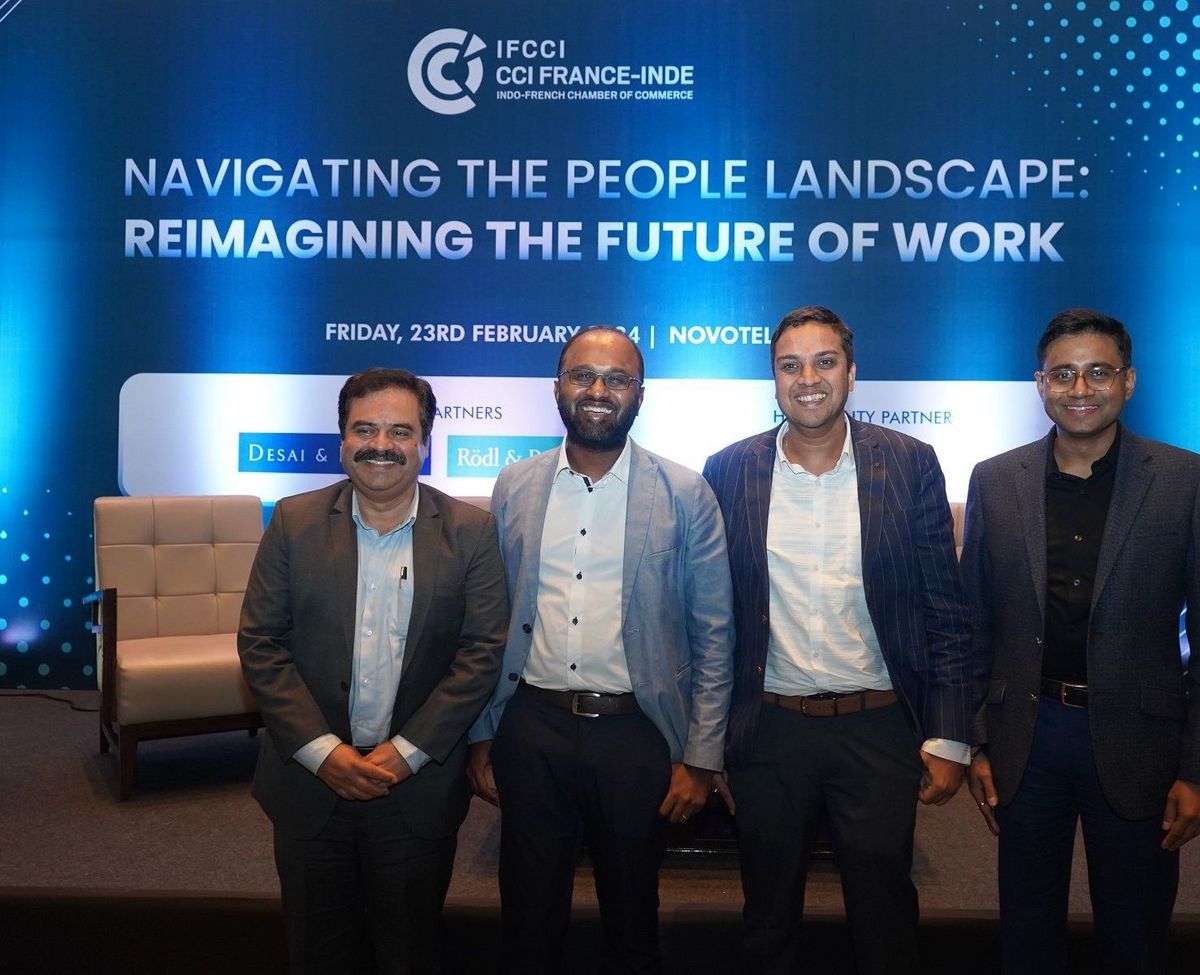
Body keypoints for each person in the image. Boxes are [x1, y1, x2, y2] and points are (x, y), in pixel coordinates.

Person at [702, 305, 973, 974]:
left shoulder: (909, 462)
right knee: (766, 922)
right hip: (768, 730)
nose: (808, 379)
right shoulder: (728, 469)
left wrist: (949, 735)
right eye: (790, 365)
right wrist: (708, 742)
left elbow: (945, 608)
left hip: (877, 728)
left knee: (886, 923)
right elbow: (708, 618)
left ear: (851, 373)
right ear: (773, 379)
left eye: (824, 362)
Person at [466, 326, 734, 973]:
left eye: (617, 378)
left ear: (640, 392)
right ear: (557, 386)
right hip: (533, 727)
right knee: (527, 920)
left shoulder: (685, 492)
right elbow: (489, 621)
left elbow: (715, 632)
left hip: (636, 735)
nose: (598, 390)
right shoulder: (514, 485)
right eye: (582, 375)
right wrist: (483, 731)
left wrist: (702, 757)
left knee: (632, 919)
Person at [238, 367, 508, 974]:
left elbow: (481, 653)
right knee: (316, 953)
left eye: (399, 431)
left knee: (407, 952)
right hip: (310, 786)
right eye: (364, 429)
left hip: (415, 789)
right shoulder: (293, 522)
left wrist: (407, 753)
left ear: (425, 444)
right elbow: (261, 644)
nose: (380, 445)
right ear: (341, 440)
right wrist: (322, 752)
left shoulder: (471, 532)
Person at [962, 308, 1200, 973]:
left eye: (1099, 372)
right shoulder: (994, 479)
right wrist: (977, 738)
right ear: (1040, 384)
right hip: (1027, 735)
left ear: (1128, 381)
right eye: (1063, 374)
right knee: (1026, 929)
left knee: (1136, 932)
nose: (1081, 388)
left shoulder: (1184, 480)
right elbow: (975, 621)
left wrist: (1195, 767)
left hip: (1140, 740)